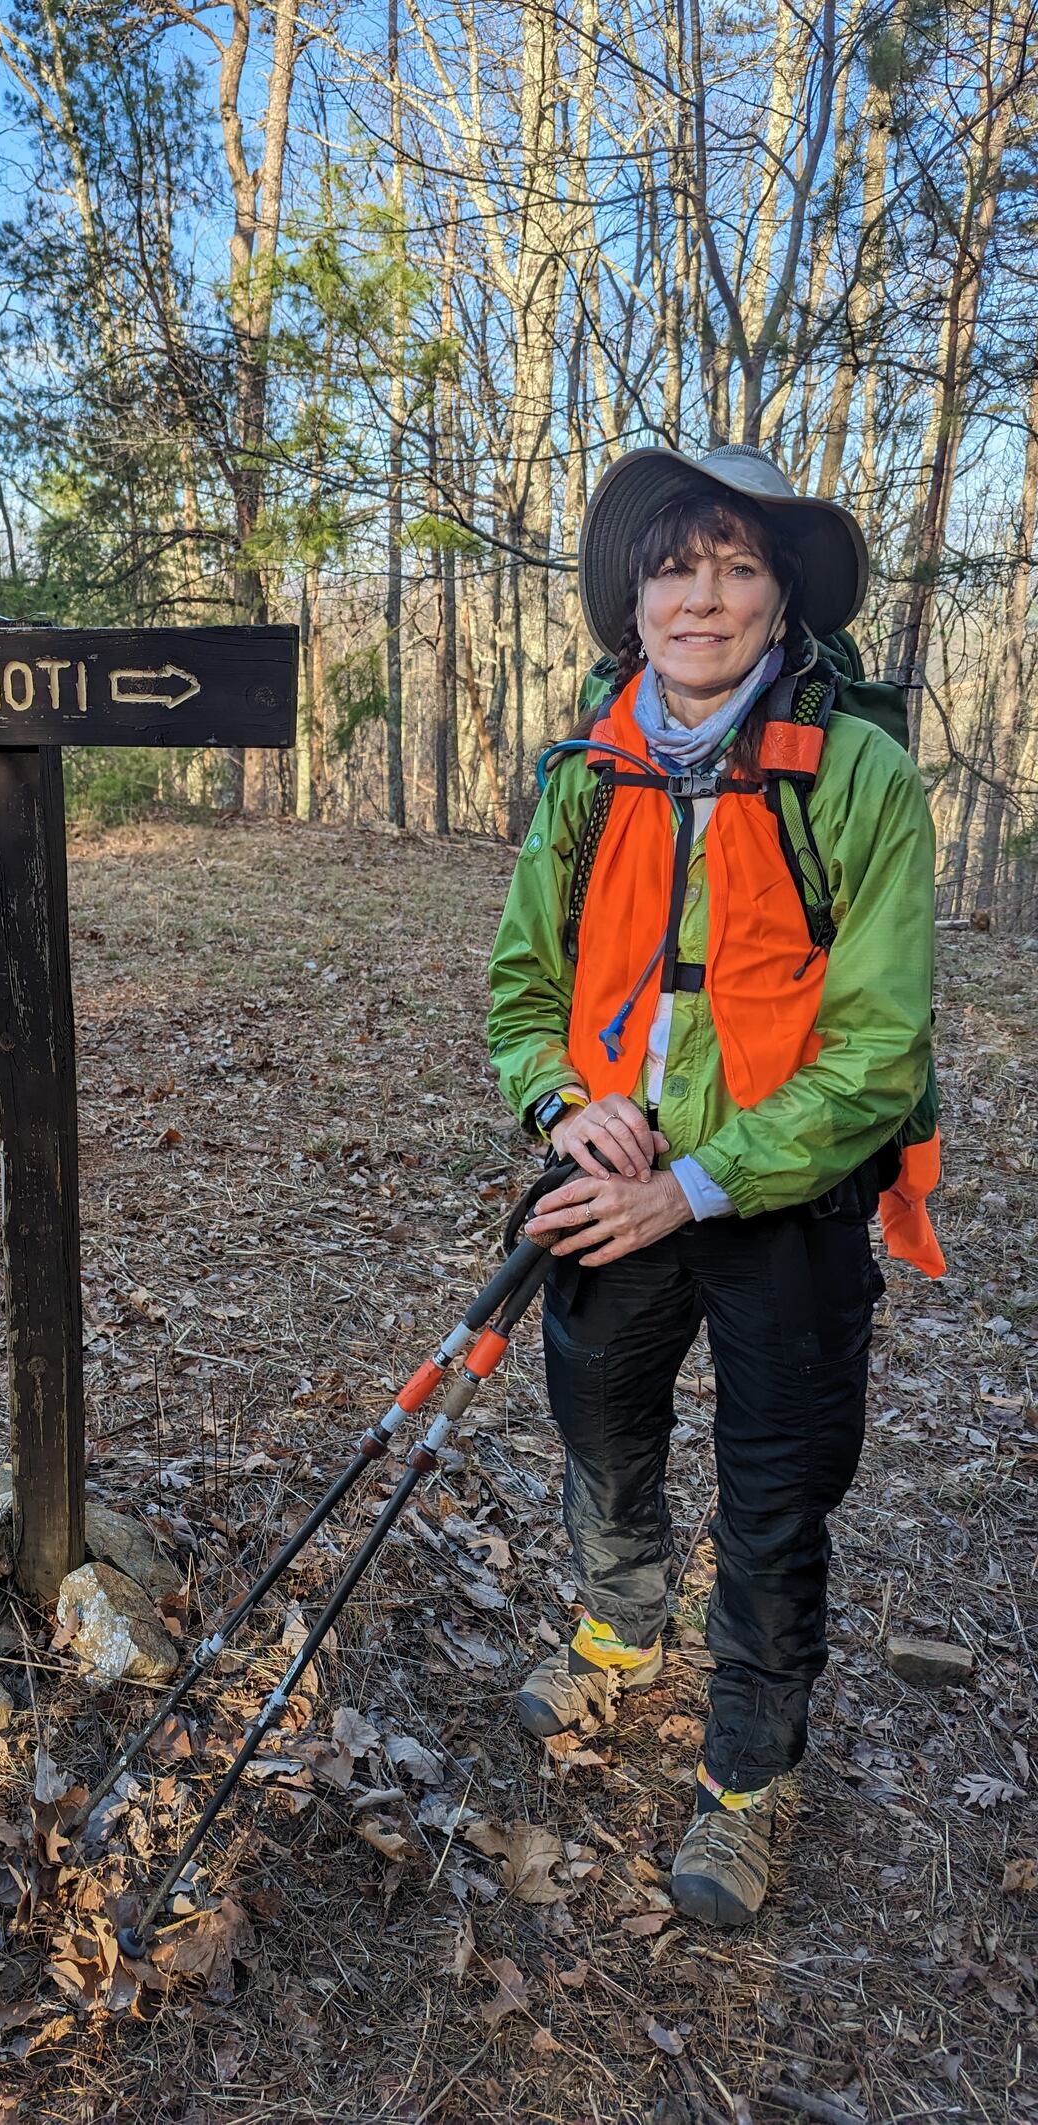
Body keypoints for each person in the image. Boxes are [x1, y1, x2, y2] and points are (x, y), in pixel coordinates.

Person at [486, 443, 937, 1926]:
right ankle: (619, 1631)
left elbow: (875, 1056)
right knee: (598, 1410)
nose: (702, 595)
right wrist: (566, 1100)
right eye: (676, 564)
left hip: (778, 1198)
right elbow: (521, 990)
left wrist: (694, 1179)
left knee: (775, 1489)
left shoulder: (858, 773)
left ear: (780, 596)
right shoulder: (584, 772)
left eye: (738, 565)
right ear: (635, 591)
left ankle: (748, 1769)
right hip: (607, 1177)